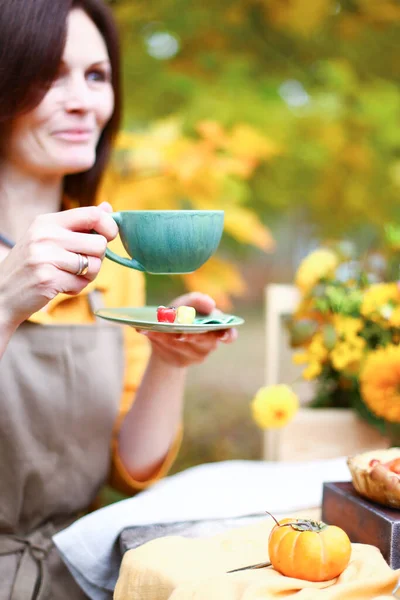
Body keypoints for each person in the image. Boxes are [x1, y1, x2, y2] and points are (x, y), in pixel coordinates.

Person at [0, 1, 238, 597]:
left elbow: (127, 471)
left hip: (74, 577)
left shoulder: (112, 267)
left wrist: (168, 361)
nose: (84, 101)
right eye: (50, 74)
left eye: (97, 75)